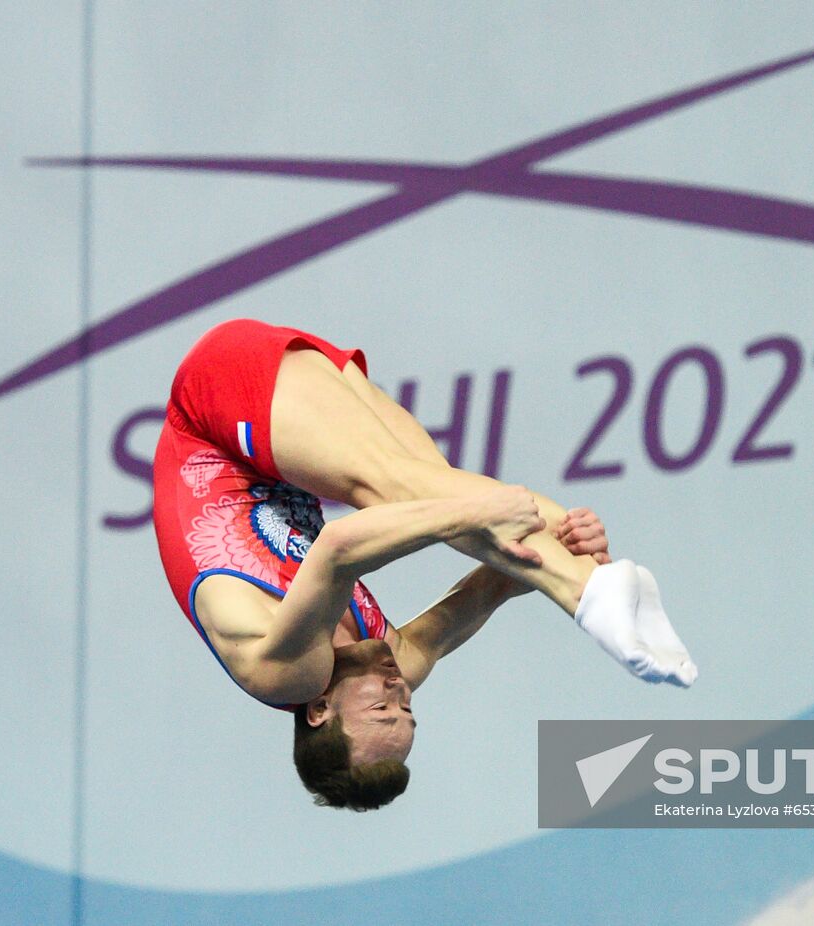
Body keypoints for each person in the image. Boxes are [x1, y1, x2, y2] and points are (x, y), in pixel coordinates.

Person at [153, 319, 697, 810]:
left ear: (320, 713)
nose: (399, 691)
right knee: (430, 478)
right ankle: (600, 579)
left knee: (400, 493)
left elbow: (340, 549)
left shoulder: (286, 675)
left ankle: (589, 595)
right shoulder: (392, 662)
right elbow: (489, 590)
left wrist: (469, 516)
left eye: (382, 711)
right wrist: (566, 537)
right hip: (278, 440)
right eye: (408, 711)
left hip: (210, 411)